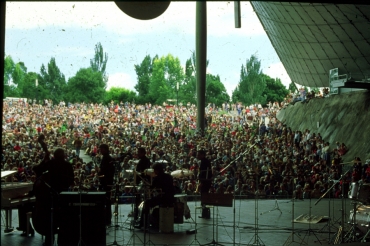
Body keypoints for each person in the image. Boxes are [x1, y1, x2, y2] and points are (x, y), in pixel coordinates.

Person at [32, 148, 74, 246]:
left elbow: (37, 170)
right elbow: (71, 181)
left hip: (49, 197)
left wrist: (45, 159)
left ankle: (49, 240)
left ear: (54, 155)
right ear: (63, 155)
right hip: (63, 196)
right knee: (63, 219)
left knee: (49, 219)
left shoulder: (51, 163)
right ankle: (63, 241)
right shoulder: (68, 165)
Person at [135, 163, 175, 229]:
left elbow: (151, 188)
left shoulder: (157, 178)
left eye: (154, 170)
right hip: (170, 197)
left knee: (146, 203)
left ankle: (143, 224)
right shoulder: (169, 176)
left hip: (163, 198)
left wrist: (146, 182)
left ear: (157, 170)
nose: (153, 172)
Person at [98, 144, 115, 226]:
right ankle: (107, 219)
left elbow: (105, 171)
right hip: (107, 181)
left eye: (101, 149)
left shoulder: (107, 158)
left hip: (106, 182)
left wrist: (99, 171)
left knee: (107, 201)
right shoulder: (107, 158)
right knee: (107, 201)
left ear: (105, 149)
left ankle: (107, 219)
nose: (100, 151)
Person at [197, 149, 212, 218]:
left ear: (203, 155)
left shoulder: (204, 162)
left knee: (204, 197)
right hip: (206, 181)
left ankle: (205, 213)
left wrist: (202, 182)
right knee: (204, 197)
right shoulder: (205, 161)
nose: (197, 156)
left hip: (205, 181)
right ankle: (205, 213)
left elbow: (204, 173)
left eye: (199, 155)